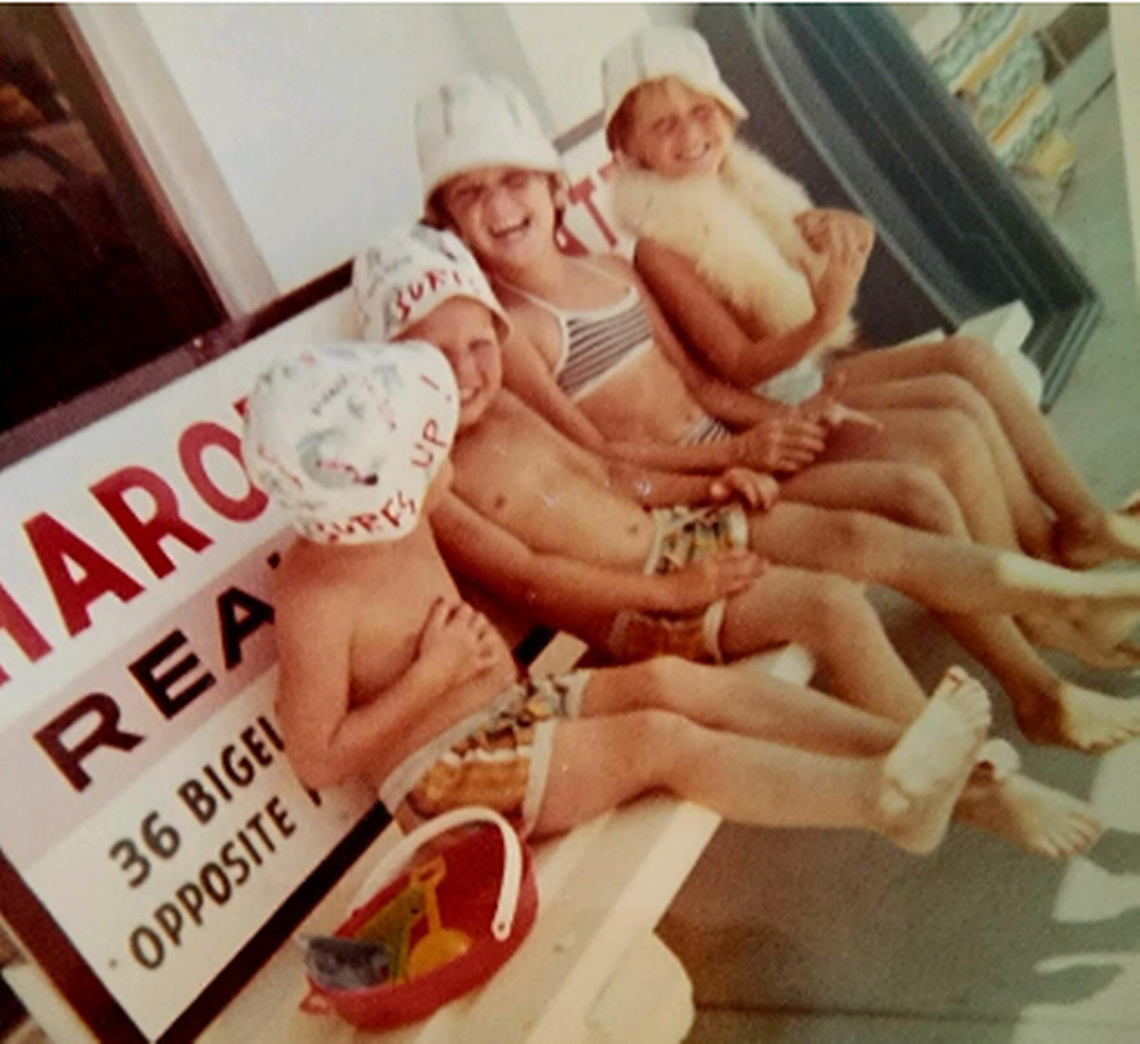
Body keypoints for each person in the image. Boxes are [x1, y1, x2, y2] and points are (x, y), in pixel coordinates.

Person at [410, 71, 1137, 672]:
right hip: (692, 499)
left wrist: (787, 422)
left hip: (739, 448)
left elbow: (704, 386)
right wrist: (740, 451)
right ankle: (1033, 662)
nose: (502, 207)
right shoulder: (502, 337)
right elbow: (595, 462)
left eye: (515, 182)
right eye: (472, 195)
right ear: (447, 224)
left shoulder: (609, 268)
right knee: (919, 476)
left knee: (936, 431)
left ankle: (1044, 605)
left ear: (554, 187)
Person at [354, 224, 1140, 766]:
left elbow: (621, 453)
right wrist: (724, 475)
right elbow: (553, 540)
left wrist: (744, 451)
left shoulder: (540, 356)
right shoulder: (441, 462)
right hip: (653, 581)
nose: (464, 370)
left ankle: (1058, 618)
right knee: (874, 540)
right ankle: (989, 737)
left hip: (689, 513)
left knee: (914, 480)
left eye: (473, 346)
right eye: (433, 356)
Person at [239, 338, 1011, 857]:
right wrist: (430, 677)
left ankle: (897, 748)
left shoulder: (405, 514)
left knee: (674, 686)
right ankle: (880, 799)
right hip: (450, 788)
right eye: (429, 447)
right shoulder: (313, 592)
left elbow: (573, 502)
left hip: (515, 715)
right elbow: (316, 756)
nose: (447, 453)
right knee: (660, 740)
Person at [600, 23, 1140, 572]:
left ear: (725, 107)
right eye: (662, 125)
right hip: (780, 410)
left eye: (701, 111)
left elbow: (819, 275)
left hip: (826, 365)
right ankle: (1028, 571)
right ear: (627, 144)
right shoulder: (660, 244)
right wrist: (825, 317)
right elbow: (736, 366)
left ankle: (1079, 527)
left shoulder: (738, 180)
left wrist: (844, 233)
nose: (690, 134)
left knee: (972, 360)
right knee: (953, 424)